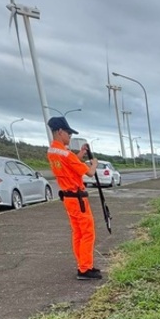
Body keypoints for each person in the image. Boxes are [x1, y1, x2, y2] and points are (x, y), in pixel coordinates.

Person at [46, 115, 101, 280]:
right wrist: (94, 164)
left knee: (78, 233)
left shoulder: (53, 152)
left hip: (68, 198)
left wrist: (81, 154)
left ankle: (83, 264)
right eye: (68, 134)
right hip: (78, 199)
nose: (70, 137)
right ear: (60, 131)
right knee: (87, 233)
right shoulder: (66, 154)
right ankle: (85, 268)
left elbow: (70, 164)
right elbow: (90, 173)